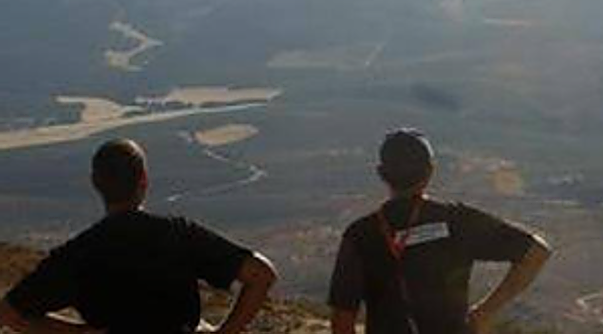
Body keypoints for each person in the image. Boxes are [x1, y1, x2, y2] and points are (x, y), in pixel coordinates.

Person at [0, 138, 277, 334]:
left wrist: (78, 332)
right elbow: (261, 275)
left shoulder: (78, 253)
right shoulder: (178, 233)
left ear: (96, 183)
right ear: (144, 180)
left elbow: (9, 314)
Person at [329, 129, 551, 334]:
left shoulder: (359, 235)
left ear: (381, 173)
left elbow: (342, 320)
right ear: (430, 171)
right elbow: (537, 252)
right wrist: (484, 313)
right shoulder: (458, 221)